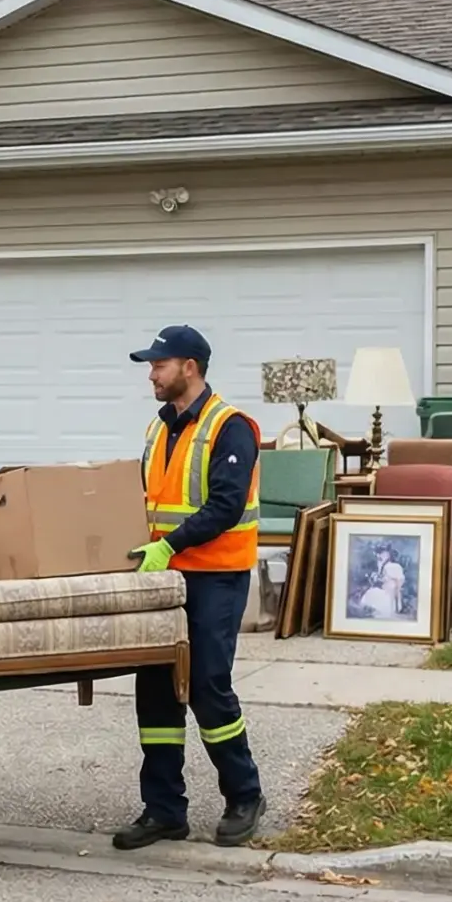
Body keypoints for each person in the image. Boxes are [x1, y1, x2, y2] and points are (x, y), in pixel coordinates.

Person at [116, 324, 267, 851]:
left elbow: (225, 506)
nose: (152, 373)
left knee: (207, 686)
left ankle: (244, 795)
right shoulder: (159, 428)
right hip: (162, 576)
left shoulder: (231, 428)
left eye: (160, 364)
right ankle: (163, 810)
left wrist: (169, 545)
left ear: (191, 367)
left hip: (214, 576)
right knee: (156, 687)